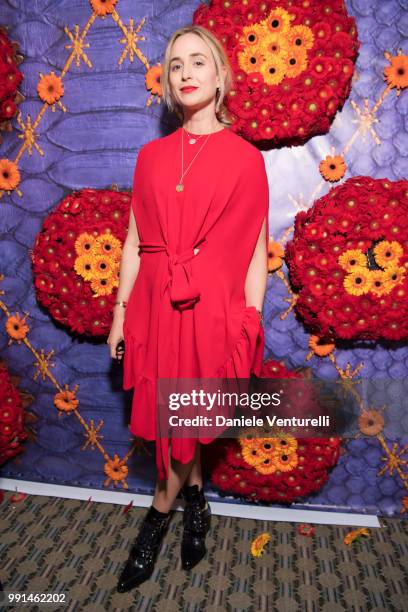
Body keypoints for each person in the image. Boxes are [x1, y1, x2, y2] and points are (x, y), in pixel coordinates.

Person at [107, 24, 269, 593]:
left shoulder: (248, 159)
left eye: (198, 62)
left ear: (220, 75)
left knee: (187, 418)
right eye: (176, 65)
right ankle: (196, 501)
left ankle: (156, 519)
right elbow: (133, 242)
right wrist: (121, 314)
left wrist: (247, 325)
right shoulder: (151, 156)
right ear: (169, 82)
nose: (186, 73)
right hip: (153, 305)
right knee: (171, 421)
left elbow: (253, 255)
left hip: (208, 313)